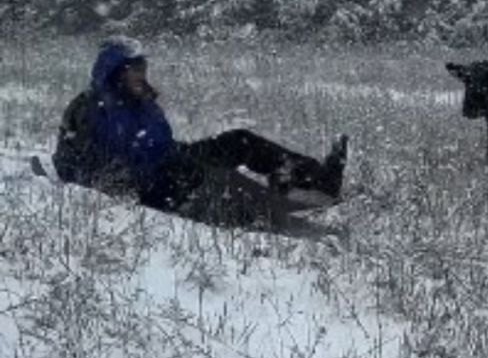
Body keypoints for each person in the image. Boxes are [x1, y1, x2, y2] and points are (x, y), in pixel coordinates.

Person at [52, 36, 348, 228]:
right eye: (134, 69)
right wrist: (118, 189)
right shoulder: (91, 110)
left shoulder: (140, 101)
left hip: (169, 160)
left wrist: (178, 157)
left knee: (238, 141)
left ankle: (318, 181)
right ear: (115, 71)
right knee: (218, 180)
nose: (141, 75)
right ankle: (275, 214)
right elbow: (73, 162)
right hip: (148, 184)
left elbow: (158, 142)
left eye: (143, 68)